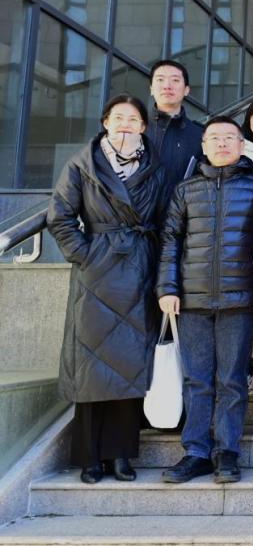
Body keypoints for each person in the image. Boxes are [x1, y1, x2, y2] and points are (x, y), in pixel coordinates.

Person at [48, 95, 166, 484]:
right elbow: (60, 217)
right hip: (97, 272)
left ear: (144, 127)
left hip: (141, 269)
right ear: (105, 123)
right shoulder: (82, 164)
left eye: (133, 119)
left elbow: (166, 219)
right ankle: (90, 457)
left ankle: (121, 455)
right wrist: (86, 255)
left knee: (130, 363)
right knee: (91, 365)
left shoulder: (156, 167)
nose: (125, 124)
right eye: (118, 118)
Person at [157, 117, 253, 484]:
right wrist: (167, 288)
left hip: (240, 299)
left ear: (242, 145)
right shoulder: (185, 190)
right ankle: (196, 452)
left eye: (229, 138)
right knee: (197, 379)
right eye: (215, 138)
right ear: (204, 146)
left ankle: (227, 452)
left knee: (232, 380)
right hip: (192, 300)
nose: (222, 144)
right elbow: (171, 241)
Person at [145, 60, 202, 200]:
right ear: (151, 89)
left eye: (175, 80)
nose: (167, 86)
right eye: (160, 80)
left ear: (186, 90)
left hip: (180, 211)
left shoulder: (200, 135)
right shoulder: (135, 128)